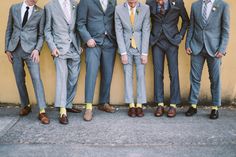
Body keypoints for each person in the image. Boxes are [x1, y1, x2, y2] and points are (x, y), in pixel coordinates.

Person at [5, 0, 49, 124]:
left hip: (31, 51)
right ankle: (26, 105)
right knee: (19, 79)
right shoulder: (14, 8)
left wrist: (37, 49)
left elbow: (41, 35)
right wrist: (7, 49)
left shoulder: (40, 12)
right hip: (15, 49)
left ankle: (42, 111)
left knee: (36, 78)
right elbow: (9, 29)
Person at [185, 0, 230, 119]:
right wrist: (188, 44)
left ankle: (215, 107)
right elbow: (191, 26)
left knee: (215, 79)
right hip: (196, 47)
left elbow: (225, 30)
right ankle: (193, 105)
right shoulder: (195, 5)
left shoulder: (223, 5)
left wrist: (222, 49)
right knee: (194, 78)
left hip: (214, 50)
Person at [146, 0, 189, 118]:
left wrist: (180, 36)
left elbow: (186, 21)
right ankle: (159, 104)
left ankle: (173, 104)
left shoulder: (178, 2)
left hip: (172, 41)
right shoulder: (149, 3)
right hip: (157, 41)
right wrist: (150, 37)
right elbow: (145, 21)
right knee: (158, 72)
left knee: (173, 73)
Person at [77, 0, 117, 121]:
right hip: (93, 43)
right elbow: (80, 23)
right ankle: (88, 107)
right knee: (91, 74)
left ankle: (103, 103)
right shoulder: (85, 1)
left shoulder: (113, 1)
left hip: (109, 42)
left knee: (108, 74)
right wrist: (87, 38)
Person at [44, 0, 82, 124]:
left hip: (74, 48)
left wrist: (80, 44)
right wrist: (52, 47)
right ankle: (62, 111)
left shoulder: (75, 4)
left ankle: (68, 104)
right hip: (59, 49)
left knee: (73, 78)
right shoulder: (50, 6)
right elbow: (47, 30)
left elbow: (78, 26)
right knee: (62, 77)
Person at [115, 0, 150, 117]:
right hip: (126, 47)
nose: (133, 4)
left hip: (140, 48)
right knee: (127, 75)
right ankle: (131, 105)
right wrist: (123, 52)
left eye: (134, 2)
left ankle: (139, 104)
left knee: (141, 76)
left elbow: (146, 30)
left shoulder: (145, 8)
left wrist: (144, 53)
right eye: (130, 3)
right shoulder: (118, 9)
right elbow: (118, 31)